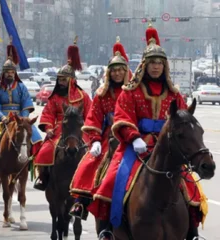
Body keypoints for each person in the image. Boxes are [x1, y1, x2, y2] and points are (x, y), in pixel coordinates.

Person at [87, 24, 205, 238]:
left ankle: (193, 231)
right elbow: (122, 117)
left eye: (160, 63)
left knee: (189, 183)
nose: (156, 67)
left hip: (168, 145)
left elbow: (183, 118)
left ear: (165, 66)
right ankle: (106, 229)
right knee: (113, 177)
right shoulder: (130, 91)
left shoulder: (174, 93)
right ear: (144, 65)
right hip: (136, 144)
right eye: (152, 63)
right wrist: (133, 137)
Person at [69, 37, 132, 220]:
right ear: (109, 73)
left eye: (121, 70)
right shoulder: (101, 95)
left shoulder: (134, 92)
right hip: (108, 136)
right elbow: (93, 119)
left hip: (133, 136)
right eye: (114, 71)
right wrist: (95, 140)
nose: (118, 74)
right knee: (90, 161)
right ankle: (81, 201)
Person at [33, 39, 92, 191]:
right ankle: (43, 177)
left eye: (64, 79)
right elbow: (48, 114)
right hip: (58, 128)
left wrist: (88, 129)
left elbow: (91, 114)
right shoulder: (54, 98)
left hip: (79, 129)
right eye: (59, 79)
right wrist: (48, 129)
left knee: (92, 152)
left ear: (72, 80)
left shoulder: (83, 96)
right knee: (44, 150)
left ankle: (91, 179)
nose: (61, 82)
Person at [0, 42, 43, 169]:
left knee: (35, 137)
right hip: (2, 117)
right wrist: (2, 117)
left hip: (20, 117)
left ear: (15, 73)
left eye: (11, 72)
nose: (9, 74)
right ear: (3, 73)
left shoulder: (21, 87)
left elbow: (26, 103)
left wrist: (24, 118)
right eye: (7, 72)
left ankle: (33, 160)